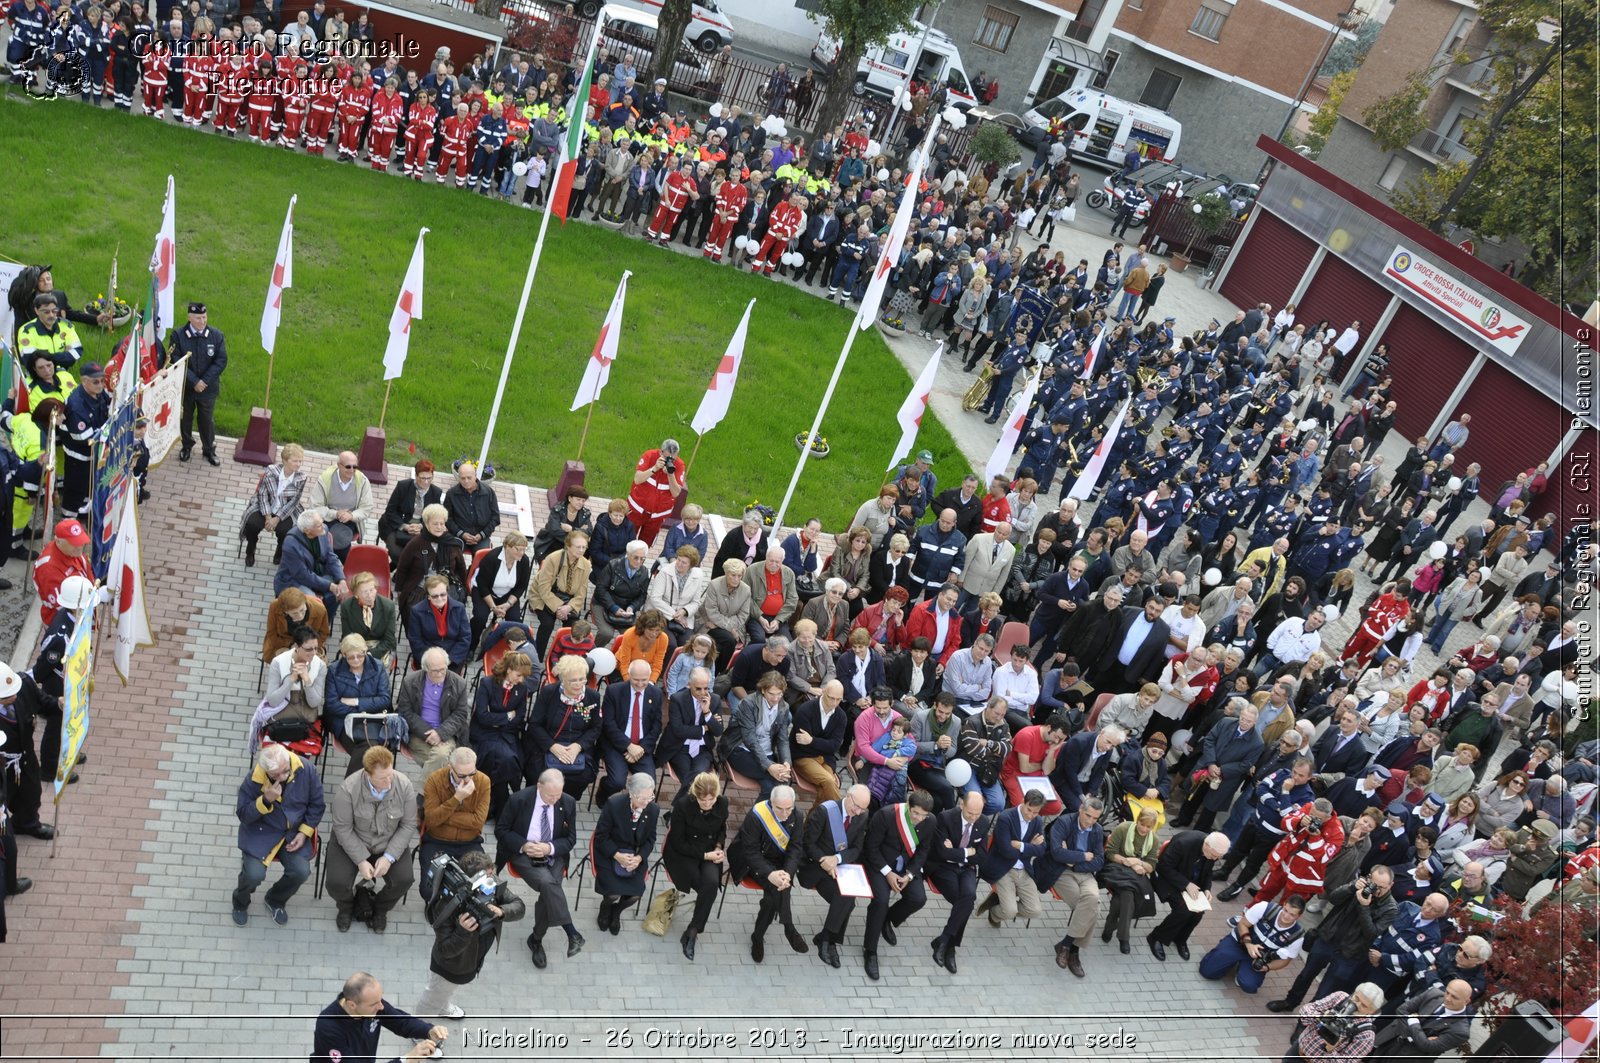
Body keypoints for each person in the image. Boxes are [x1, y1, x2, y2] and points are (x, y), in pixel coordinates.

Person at [413, 850, 524, 1022]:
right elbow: (445, 950)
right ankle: (418, 1030)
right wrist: (463, 931)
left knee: (444, 992)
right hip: (449, 967)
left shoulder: (491, 882)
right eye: (486, 877)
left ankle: (442, 1007)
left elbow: (519, 905)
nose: (492, 881)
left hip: (471, 960)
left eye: (492, 874)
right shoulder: (447, 905)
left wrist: (502, 911)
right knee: (432, 998)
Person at [496, 767, 583, 968]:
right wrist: (525, 845)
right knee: (548, 883)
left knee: (548, 892)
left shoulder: (567, 802)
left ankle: (536, 939)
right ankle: (571, 932)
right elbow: (502, 830)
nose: (554, 799)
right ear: (539, 786)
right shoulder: (519, 800)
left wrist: (549, 847)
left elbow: (570, 839)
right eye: (549, 795)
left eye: (558, 794)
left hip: (553, 854)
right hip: (524, 854)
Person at [326, 747, 417, 934]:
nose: (389, 780)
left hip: (388, 844)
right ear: (368, 774)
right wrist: (360, 860)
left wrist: (390, 856)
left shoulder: (404, 785)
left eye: (390, 774)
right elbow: (342, 828)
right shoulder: (348, 789)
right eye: (383, 778)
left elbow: (408, 825)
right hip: (352, 842)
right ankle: (346, 907)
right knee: (336, 882)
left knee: (405, 879)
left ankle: (380, 909)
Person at [232, 743, 323, 927]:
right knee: (253, 875)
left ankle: (275, 899)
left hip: (293, 833)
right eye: (276, 775)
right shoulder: (254, 779)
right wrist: (265, 800)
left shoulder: (307, 769)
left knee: (301, 871)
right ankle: (240, 903)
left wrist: (305, 832)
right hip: (261, 833)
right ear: (266, 772)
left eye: (285, 771)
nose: (282, 777)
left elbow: (317, 805)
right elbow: (243, 814)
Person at [727, 784, 808, 963]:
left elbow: (795, 849)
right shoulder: (757, 815)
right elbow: (750, 852)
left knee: (772, 898)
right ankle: (788, 928)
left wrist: (788, 874)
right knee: (775, 889)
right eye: (780, 808)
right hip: (754, 863)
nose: (785, 813)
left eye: (789, 808)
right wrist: (770, 873)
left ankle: (758, 936)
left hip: (779, 863)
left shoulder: (798, 816)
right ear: (771, 803)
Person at [797, 783, 872, 967]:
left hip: (839, 866)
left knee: (846, 899)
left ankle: (826, 939)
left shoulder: (862, 815)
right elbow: (807, 843)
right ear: (848, 795)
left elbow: (857, 848)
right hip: (814, 867)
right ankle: (827, 941)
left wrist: (836, 859)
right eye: (856, 806)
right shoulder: (825, 811)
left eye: (863, 808)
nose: (858, 811)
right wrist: (825, 861)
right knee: (846, 902)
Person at [1037, 797, 1107, 978]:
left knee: (1091, 904)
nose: (1090, 821)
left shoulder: (1097, 830)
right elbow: (1057, 853)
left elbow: (1099, 861)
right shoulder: (1064, 822)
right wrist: (1084, 856)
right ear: (1080, 810)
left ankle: (1067, 945)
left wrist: (1074, 862)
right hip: (1061, 871)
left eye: (1095, 818)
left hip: (1083, 873)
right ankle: (1074, 953)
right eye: (1088, 815)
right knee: (1091, 909)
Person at [310, 972, 447, 1063]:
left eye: (380, 999)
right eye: (374, 1003)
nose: (381, 1007)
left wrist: (429, 1030)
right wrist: (406, 1059)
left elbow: (400, 1021)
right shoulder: (328, 1028)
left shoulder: (370, 1007)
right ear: (351, 1005)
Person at [1146, 829, 1231, 961]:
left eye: (1218, 857)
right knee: (1184, 910)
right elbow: (1163, 866)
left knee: (1199, 911)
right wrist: (1186, 884)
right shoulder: (1183, 844)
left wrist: (1207, 889)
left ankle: (1180, 938)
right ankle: (1156, 937)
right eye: (1214, 855)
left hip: (1190, 882)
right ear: (1207, 845)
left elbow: (1208, 872)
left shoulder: (1212, 851)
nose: (1215, 859)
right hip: (1167, 879)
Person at [525, 654, 601, 796]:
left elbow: (596, 727)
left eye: (582, 679)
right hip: (548, 744)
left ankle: (565, 804)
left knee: (582, 776)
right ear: (563, 680)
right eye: (573, 680)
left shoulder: (593, 697)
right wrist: (552, 746)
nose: (579, 684)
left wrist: (578, 746)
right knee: (539, 774)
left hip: (577, 747)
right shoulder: (549, 693)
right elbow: (535, 724)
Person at [1199, 893, 1307, 993]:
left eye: (1292, 915)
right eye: (1285, 910)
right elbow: (1242, 924)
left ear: (1299, 916)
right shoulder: (1265, 908)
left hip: (1257, 958)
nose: (1286, 916)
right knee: (1207, 972)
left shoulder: (1297, 936)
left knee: (1249, 986)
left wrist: (1267, 967)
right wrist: (1249, 945)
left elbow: (1285, 961)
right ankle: (1226, 955)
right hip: (1239, 943)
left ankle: (1239, 968)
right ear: (1283, 905)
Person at [592, 773, 659, 933]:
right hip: (611, 852)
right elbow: (601, 836)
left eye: (650, 797)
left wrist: (639, 858)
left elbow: (650, 839)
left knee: (634, 895)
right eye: (642, 798)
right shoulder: (614, 805)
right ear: (631, 793)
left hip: (634, 855)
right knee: (612, 894)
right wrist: (617, 855)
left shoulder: (653, 809)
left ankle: (616, 912)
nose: (647, 802)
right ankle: (606, 907)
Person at [977, 788, 1049, 929]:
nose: (1031, 815)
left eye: (1036, 812)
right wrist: (1030, 847)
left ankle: (998, 907)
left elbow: (1041, 850)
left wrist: (1020, 845)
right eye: (1029, 810)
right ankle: (998, 910)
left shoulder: (1037, 821)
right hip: (1003, 867)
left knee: (1034, 910)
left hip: (1023, 869)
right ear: (1023, 801)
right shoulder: (1006, 817)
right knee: (1010, 911)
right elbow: (1005, 851)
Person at [397, 646, 471, 774]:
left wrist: (440, 733)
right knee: (444, 763)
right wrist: (427, 732)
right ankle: (443, 788)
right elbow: (405, 711)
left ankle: (424, 794)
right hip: (418, 733)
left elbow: (461, 714)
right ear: (426, 669)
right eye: (435, 671)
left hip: (446, 733)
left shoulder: (459, 683)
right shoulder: (410, 682)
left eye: (443, 669)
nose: (440, 674)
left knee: (440, 757)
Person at [724, 670, 793, 798]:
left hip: (766, 753)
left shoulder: (784, 707)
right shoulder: (748, 703)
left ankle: (759, 817)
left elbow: (783, 739)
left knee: (776, 787)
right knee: (778, 783)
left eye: (779, 694)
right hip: (741, 750)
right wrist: (769, 766)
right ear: (763, 690)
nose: (776, 698)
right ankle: (761, 817)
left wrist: (786, 762)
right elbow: (750, 739)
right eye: (771, 694)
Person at [172, 301, 226, 464]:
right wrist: (194, 381)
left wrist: (203, 381)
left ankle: (209, 449)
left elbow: (221, 360)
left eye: (204, 317)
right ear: (189, 317)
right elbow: (176, 360)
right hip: (187, 388)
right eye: (198, 318)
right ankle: (186, 446)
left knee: (206, 420)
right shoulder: (178, 335)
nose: (202, 321)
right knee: (185, 418)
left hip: (207, 389)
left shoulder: (216, 335)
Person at [599, 659, 662, 798]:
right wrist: (628, 746)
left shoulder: (656, 694)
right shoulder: (614, 691)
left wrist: (641, 748)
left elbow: (657, 726)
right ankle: (602, 794)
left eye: (644, 680)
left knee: (649, 784)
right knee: (617, 782)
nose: (640, 684)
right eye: (636, 680)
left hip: (641, 747)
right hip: (616, 744)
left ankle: (634, 807)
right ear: (628, 675)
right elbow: (608, 724)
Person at [277, 511, 349, 627]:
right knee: (311, 604)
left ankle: (323, 626)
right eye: (319, 525)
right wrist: (330, 586)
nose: (324, 526)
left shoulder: (323, 530)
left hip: (317, 574)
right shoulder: (291, 544)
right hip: (295, 581)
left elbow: (331, 557)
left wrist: (341, 580)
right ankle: (304, 632)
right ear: (307, 531)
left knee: (336, 594)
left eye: (322, 522)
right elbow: (303, 575)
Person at [1370, 980, 1475, 1058]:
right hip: (1387, 1040)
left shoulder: (1461, 1031)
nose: (1448, 998)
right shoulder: (1433, 994)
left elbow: (1427, 1046)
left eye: (1454, 997)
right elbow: (1402, 1010)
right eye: (1447, 992)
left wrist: (1413, 1021)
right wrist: (1415, 1037)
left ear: (1466, 1001)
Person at [1285, 984, 1383, 1063]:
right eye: (1356, 998)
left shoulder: (1366, 1036)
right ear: (1354, 993)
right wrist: (1320, 1018)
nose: (1356, 1005)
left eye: (1364, 1005)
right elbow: (1306, 1010)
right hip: (1297, 1049)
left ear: (1371, 1011)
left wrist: (1331, 1050)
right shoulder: (1340, 997)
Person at [308, 451, 376, 560]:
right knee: (330, 540)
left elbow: (366, 507)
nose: (352, 470)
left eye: (355, 467)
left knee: (339, 539)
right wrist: (335, 514)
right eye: (348, 467)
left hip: (350, 519)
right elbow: (315, 506)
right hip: (328, 517)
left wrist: (351, 516)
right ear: (339, 465)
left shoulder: (362, 481)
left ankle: (332, 566)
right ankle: (341, 566)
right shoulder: (325, 479)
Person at [469, 532, 529, 654]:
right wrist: (493, 607)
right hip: (485, 592)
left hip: (507, 594)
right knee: (480, 617)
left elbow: (521, 586)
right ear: (507, 546)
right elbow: (482, 585)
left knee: (515, 620)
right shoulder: (491, 558)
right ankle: (471, 646)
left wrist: (508, 604)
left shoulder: (524, 560)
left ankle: (507, 649)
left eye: (524, 550)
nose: (522, 553)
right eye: (518, 549)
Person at [379, 459, 443, 563]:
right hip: (396, 525)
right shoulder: (403, 486)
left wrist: (421, 526)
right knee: (397, 552)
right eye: (423, 478)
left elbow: (433, 516)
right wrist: (405, 526)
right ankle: (399, 570)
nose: (426, 481)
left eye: (429, 478)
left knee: (420, 554)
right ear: (416, 476)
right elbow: (390, 511)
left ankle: (399, 569)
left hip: (419, 529)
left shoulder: (436, 492)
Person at [626, 438, 685, 546]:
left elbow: (676, 493)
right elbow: (637, 479)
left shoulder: (679, 465)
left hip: (657, 516)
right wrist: (654, 468)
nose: (670, 461)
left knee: (645, 545)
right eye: (667, 457)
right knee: (627, 541)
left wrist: (670, 475)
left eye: (673, 458)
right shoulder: (650, 455)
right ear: (660, 452)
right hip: (637, 509)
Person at [407, 575, 472, 673]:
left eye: (443, 594)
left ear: (447, 592)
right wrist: (433, 661)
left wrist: (450, 659)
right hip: (428, 656)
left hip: (452, 658)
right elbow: (415, 640)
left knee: (452, 685)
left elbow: (465, 637)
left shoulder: (459, 608)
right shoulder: (417, 611)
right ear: (428, 596)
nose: (440, 598)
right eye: (435, 596)